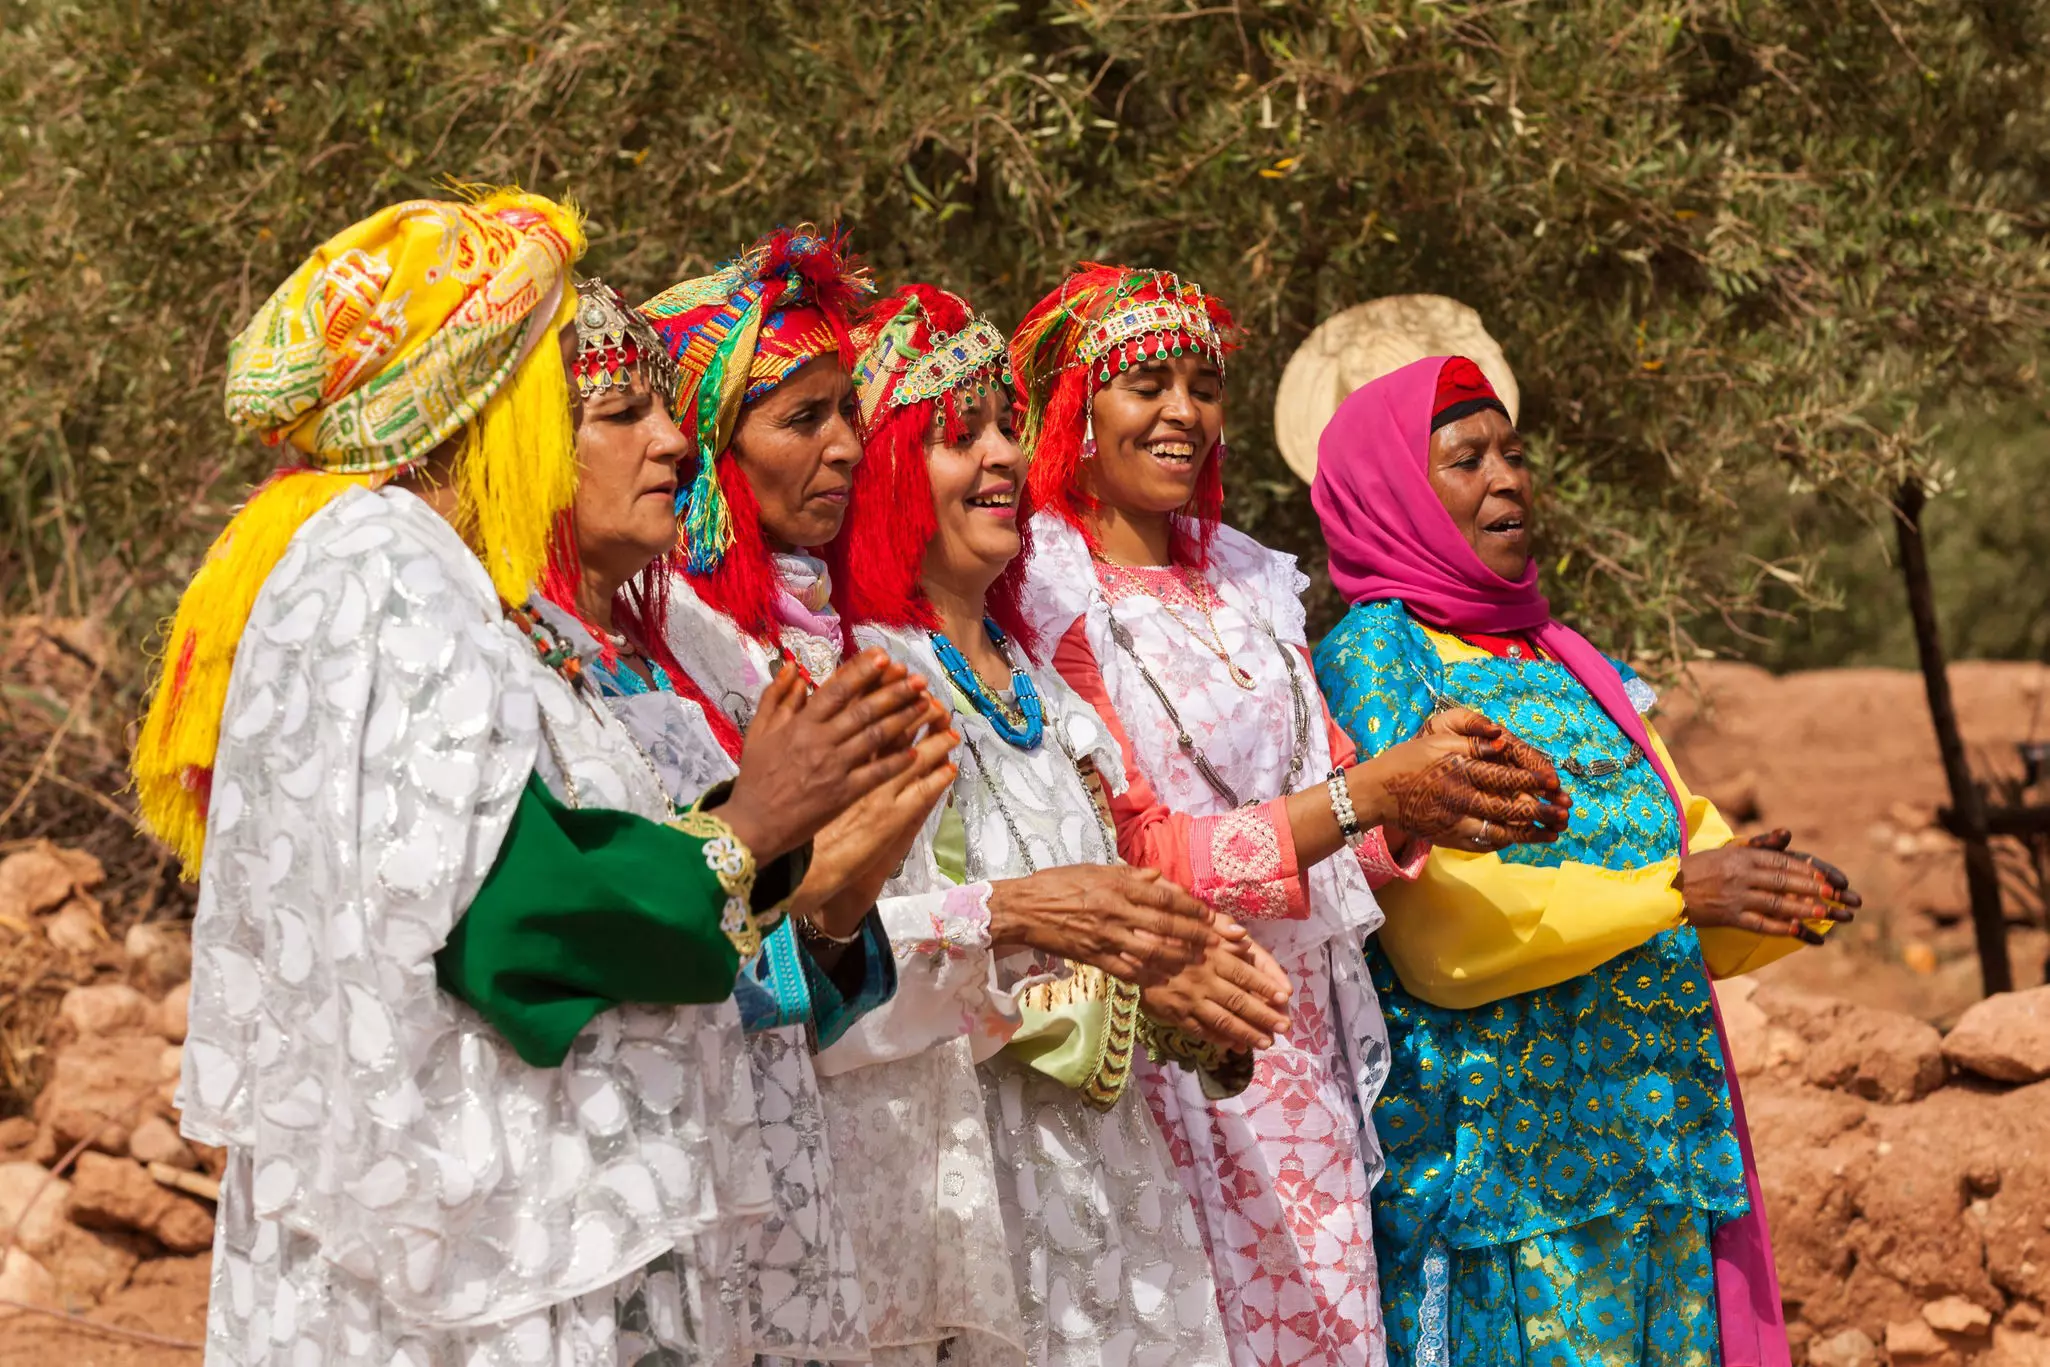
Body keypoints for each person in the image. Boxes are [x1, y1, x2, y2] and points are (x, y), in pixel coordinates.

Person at [134, 193, 933, 1365]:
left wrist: (798, 856)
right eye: (608, 407)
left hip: (547, 1229)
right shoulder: (382, 563)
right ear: (491, 403)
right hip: (480, 1260)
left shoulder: (442, 578)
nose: (671, 443)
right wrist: (752, 824)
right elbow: (503, 920)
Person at [642, 235, 1229, 1366]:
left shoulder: (988, 674)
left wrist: (1149, 969)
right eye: (958, 434)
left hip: (1028, 1164)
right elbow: (802, 959)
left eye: (1008, 425)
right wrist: (1011, 919)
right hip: (844, 1174)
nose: (844, 448)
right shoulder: (769, 665)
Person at [1012, 265, 1568, 1367]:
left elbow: (1335, 787)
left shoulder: (1248, 577)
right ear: (1076, 410)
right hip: (1167, 1026)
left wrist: (1434, 802)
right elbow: (1129, 848)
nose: (1183, 412)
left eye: (1203, 384)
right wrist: (1365, 795)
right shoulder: (1042, 589)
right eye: (1145, 384)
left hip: (1296, 1034)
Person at [1309, 355, 1861, 1367]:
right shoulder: (1380, 654)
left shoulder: (1567, 656)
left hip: (1652, 1153)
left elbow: (1685, 845)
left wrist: (1779, 896)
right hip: (1504, 1177)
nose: (1507, 478)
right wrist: (1676, 891)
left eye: (1514, 453)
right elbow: (1442, 930)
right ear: (1391, 493)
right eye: (1465, 458)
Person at [829, 283, 1304, 1366]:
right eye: (958, 437)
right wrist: (1113, 972)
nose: (1002, 455)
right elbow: (851, 964)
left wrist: (1174, 978)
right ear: (892, 468)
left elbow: (1095, 904)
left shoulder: (1044, 685)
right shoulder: (864, 677)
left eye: (1007, 424)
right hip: (965, 1172)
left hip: (1100, 1168)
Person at [535, 276, 964, 1363]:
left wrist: (833, 905)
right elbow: (556, 940)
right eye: (623, 414)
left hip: (761, 1166)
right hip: (601, 1184)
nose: (673, 443)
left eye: (669, 411)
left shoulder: (680, 670)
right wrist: (773, 851)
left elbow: (767, 973)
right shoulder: (515, 664)